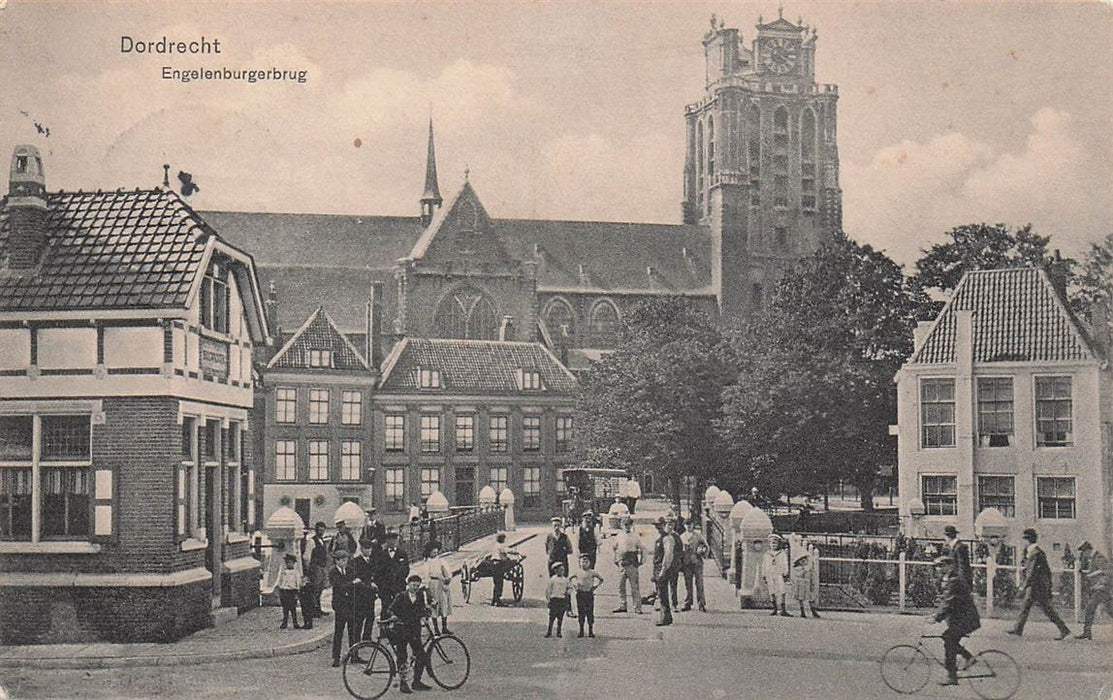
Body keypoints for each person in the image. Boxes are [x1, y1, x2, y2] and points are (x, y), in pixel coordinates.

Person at [1009, 528, 1071, 640]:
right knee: (1027, 607)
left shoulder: (1036, 553)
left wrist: (1023, 586)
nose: (1024, 542)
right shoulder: (1031, 552)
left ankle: (1064, 630)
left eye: (1025, 539)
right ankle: (1018, 629)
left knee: (1046, 609)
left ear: (1028, 540)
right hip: (1035, 585)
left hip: (1037, 586)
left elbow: (1032, 572)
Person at [932, 555, 980, 686]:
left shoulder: (954, 581)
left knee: (949, 640)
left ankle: (952, 677)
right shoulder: (949, 579)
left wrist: (936, 617)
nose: (938, 569)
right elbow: (946, 601)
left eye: (941, 566)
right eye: (937, 566)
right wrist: (936, 614)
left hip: (967, 619)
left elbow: (949, 601)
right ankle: (969, 658)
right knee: (948, 639)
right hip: (963, 619)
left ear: (950, 566)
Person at [383, 574, 433, 693]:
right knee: (402, 657)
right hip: (402, 630)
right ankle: (403, 683)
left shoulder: (420, 596)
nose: (415, 588)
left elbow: (421, 610)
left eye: (417, 586)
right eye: (413, 585)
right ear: (408, 584)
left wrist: (425, 614)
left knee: (421, 655)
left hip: (415, 631)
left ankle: (416, 682)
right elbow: (390, 609)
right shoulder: (401, 596)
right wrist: (393, 616)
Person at [1075, 541, 1113, 640]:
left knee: (1090, 608)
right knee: (1109, 609)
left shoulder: (1098, 557)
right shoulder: (1093, 558)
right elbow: (1094, 570)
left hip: (1101, 588)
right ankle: (1087, 632)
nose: (1083, 554)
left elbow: (1105, 571)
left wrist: (1094, 578)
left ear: (1088, 550)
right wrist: (1083, 572)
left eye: (1084, 552)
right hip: (1099, 588)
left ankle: (1086, 632)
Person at [329, 549, 359, 667]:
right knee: (339, 632)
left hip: (351, 604)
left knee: (353, 631)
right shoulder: (333, 572)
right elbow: (339, 586)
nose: (344, 562)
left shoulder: (350, 570)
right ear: (336, 561)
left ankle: (354, 655)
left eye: (345, 560)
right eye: (341, 560)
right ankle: (336, 657)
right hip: (340, 605)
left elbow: (354, 582)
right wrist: (351, 584)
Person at [651, 516, 681, 627]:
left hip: (663, 569)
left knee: (663, 594)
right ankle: (665, 617)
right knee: (661, 593)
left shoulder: (667, 538)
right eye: (656, 526)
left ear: (664, 525)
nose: (657, 528)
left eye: (659, 526)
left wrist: (663, 569)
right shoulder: (661, 537)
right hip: (658, 568)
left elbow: (668, 555)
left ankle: (666, 618)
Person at [419, 539, 453, 635]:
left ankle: (444, 627)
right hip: (433, 584)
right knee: (434, 605)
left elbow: (447, 571)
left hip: (441, 583)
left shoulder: (441, 561)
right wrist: (426, 587)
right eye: (433, 551)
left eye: (436, 551)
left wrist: (448, 578)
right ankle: (436, 629)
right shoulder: (427, 563)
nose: (435, 553)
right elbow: (425, 576)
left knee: (444, 604)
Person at [612, 516, 644, 614]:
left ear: (631, 525)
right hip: (622, 563)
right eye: (625, 525)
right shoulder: (619, 536)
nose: (627, 527)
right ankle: (623, 605)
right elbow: (614, 548)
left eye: (629, 525)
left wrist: (641, 561)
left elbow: (642, 549)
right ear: (622, 525)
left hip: (632, 564)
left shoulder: (635, 536)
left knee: (634, 587)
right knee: (620, 586)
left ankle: (637, 607)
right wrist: (615, 559)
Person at [350, 537, 380, 641]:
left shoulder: (372, 560)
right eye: (366, 548)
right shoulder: (355, 562)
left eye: (370, 548)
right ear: (361, 549)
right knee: (359, 618)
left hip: (370, 594)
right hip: (361, 595)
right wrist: (368, 584)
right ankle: (357, 639)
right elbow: (356, 578)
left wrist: (374, 583)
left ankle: (367, 636)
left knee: (370, 616)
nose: (368, 551)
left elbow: (375, 574)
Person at [377, 531, 411, 621]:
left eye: (394, 540)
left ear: (397, 541)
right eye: (389, 540)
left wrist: (399, 578)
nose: (392, 542)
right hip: (385, 587)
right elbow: (378, 571)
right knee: (385, 607)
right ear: (386, 541)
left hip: (399, 585)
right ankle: (384, 628)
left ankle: (399, 627)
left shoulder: (402, 553)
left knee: (399, 606)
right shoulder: (381, 554)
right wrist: (381, 584)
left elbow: (406, 569)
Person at [571, 553, 604, 638]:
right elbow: (569, 579)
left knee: (590, 612)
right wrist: (575, 586)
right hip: (580, 594)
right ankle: (581, 630)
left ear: (589, 563)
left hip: (589, 594)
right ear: (579, 563)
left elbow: (601, 579)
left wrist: (595, 587)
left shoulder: (592, 572)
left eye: (586, 562)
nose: (584, 563)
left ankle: (590, 630)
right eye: (582, 561)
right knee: (581, 612)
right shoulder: (577, 572)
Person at [680, 516, 708, 612]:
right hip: (686, 563)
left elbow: (706, 546)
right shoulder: (682, 537)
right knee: (688, 583)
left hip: (697, 562)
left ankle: (701, 603)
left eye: (690, 524)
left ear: (693, 525)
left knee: (699, 583)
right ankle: (688, 602)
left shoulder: (698, 535)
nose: (688, 526)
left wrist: (702, 553)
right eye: (686, 524)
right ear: (684, 526)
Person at [305, 521, 330, 620]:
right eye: (319, 530)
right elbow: (307, 556)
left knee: (320, 588)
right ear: (316, 530)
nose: (321, 532)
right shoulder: (312, 541)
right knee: (315, 589)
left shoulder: (322, 541)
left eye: (323, 530)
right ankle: (313, 610)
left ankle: (318, 608)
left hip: (322, 567)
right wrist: (309, 569)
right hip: (315, 567)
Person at [485, 531, 516, 607]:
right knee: (499, 583)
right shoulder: (501, 546)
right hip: (499, 565)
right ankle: (497, 601)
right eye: (504, 538)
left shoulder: (495, 545)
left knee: (496, 582)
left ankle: (494, 600)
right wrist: (516, 552)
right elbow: (508, 551)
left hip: (493, 564)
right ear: (502, 539)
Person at [544, 562, 574, 638]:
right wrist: (548, 600)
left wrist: (567, 592)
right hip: (554, 599)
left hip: (562, 599)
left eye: (563, 570)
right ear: (556, 571)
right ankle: (549, 631)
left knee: (560, 617)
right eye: (560, 570)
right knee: (552, 617)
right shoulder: (552, 579)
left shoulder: (565, 580)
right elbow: (548, 590)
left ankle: (559, 632)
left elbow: (570, 587)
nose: (562, 572)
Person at [763, 536, 790, 616]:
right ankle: (774, 609)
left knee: (782, 590)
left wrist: (785, 572)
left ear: (778, 544)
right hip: (770, 574)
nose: (773, 545)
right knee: (772, 591)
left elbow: (785, 563)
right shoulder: (767, 554)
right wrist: (764, 574)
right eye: (772, 543)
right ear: (769, 544)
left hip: (779, 573)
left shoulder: (782, 553)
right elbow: (764, 564)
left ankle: (783, 609)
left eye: (775, 543)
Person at [790, 544, 818, 619]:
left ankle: (813, 610)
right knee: (801, 598)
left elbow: (811, 577)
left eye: (805, 559)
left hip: (807, 584)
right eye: (801, 560)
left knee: (810, 598)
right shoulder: (798, 569)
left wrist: (812, 584)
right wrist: (804, 569)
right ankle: (802, 611)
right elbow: (798, 575)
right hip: (800, 585)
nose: (804, 561)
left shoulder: (809, 569)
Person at [277, 553, 304, 630]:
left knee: (293, 608)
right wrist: (280, 587)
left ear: (294, 563)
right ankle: (284, 622)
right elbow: (279, 580)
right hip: (284, 591)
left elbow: (298, 582)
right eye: (287, 563)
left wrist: (298, 590)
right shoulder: (283, 572)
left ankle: (295, 622)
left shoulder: (296, 572)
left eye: (291, 563)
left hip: (292, 591)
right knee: (285, 608)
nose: (289, 564)